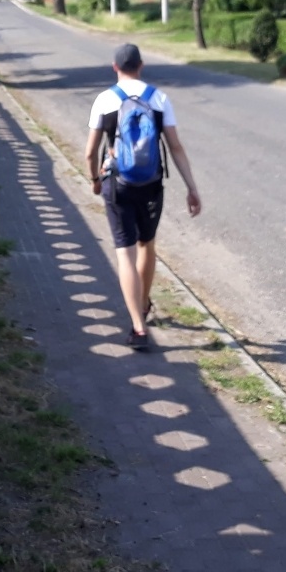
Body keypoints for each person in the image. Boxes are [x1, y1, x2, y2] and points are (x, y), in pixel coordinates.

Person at [84, 43, 201, 350]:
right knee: (146, 244)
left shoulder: (105, 99)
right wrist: (191, 187)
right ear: (142, 65)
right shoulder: (159, 98)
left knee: (125, 252)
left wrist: (95, 180)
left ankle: (138, 328)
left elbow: (89, 152)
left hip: (116, 183)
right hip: (150, 184)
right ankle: (145, 304)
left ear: (114, 67)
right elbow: (175, 146)